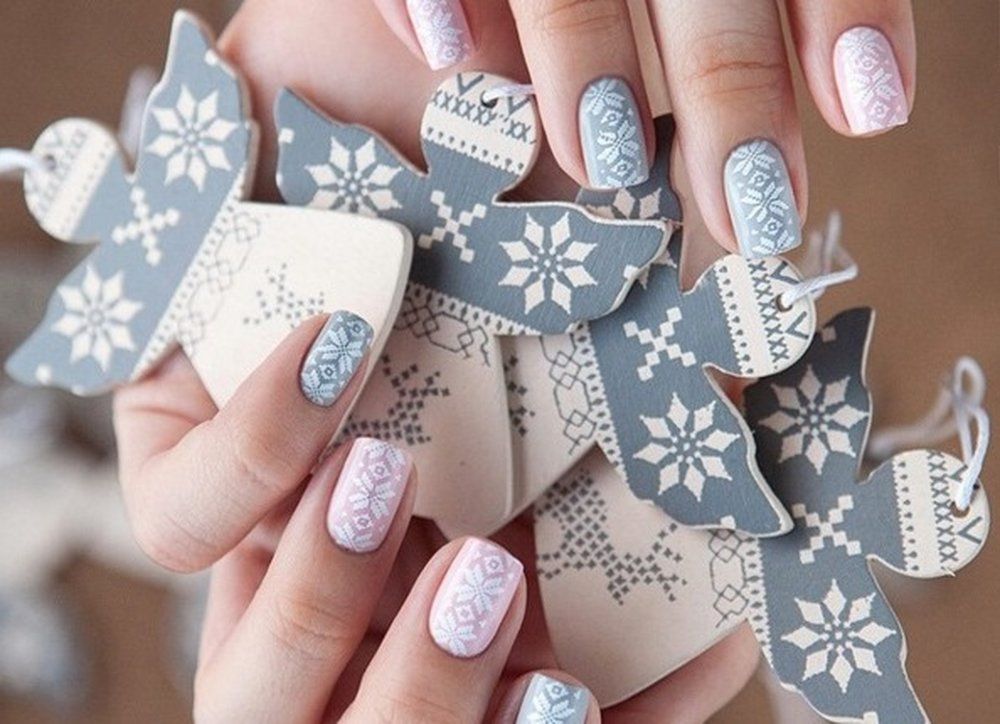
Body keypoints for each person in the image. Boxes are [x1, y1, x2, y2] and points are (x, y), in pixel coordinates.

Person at [114, 1, 915, 720]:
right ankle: (796, 482)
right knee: (759, 480)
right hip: (631, 405)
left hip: (624, 348)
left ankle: (801, 487)